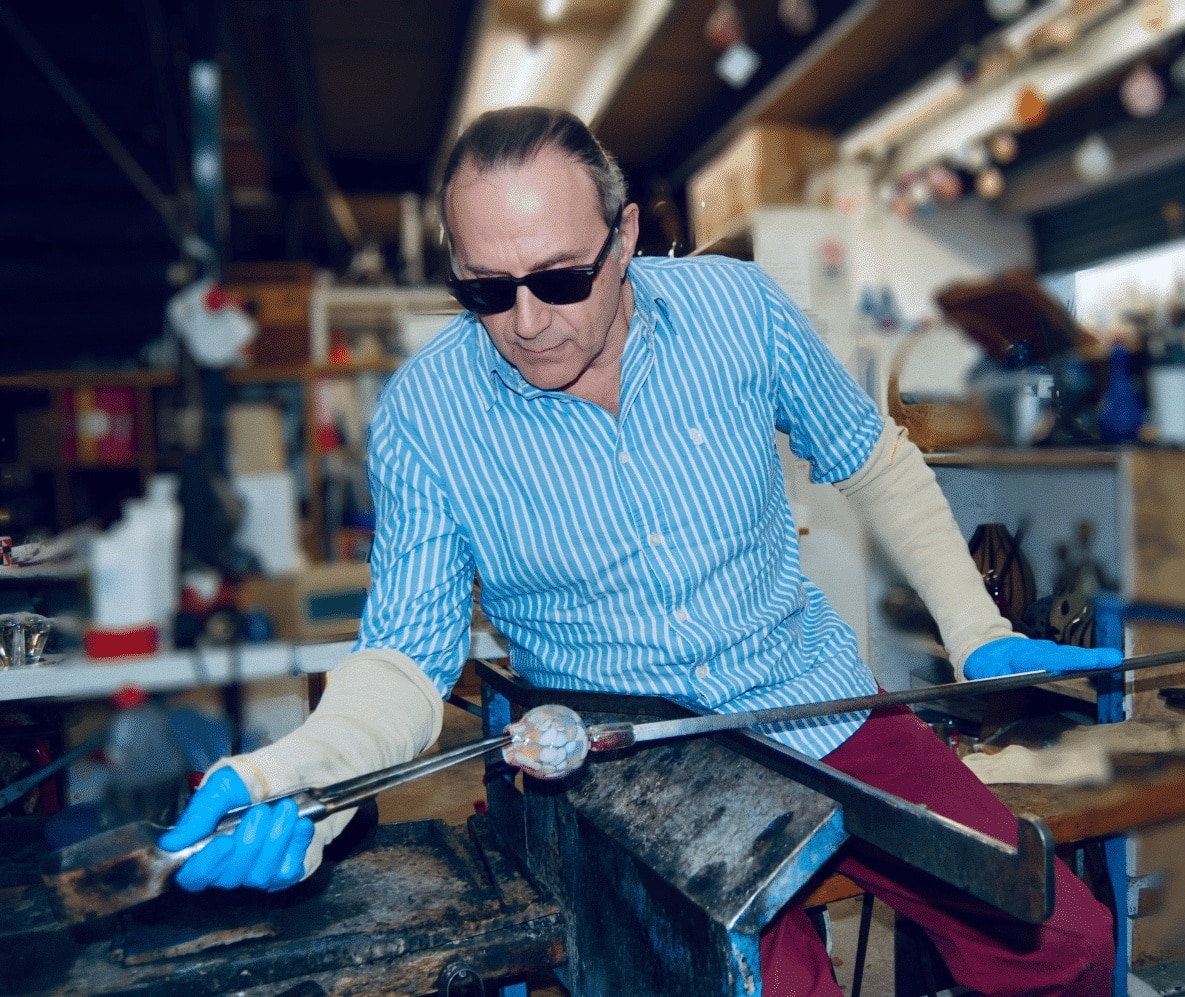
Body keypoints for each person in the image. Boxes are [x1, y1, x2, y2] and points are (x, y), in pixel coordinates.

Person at [160, 106, 1119, 995]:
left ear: (623, 239)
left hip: (818, 711)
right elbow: (408, 661)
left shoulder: (740, 311)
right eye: (487, 290)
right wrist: (303, 775)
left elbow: (873, 461)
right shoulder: (426, 413)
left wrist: (976, 629)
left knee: (1068, 942)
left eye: (560, 278)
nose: (527, 322)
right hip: (630, 775)